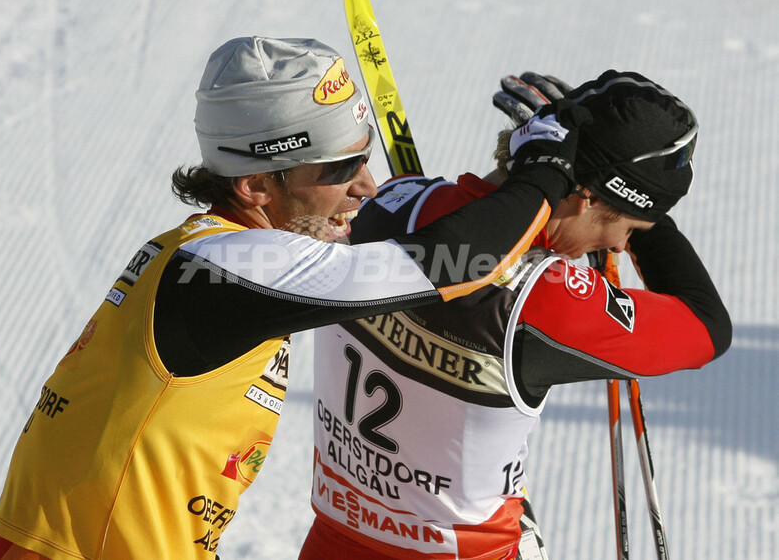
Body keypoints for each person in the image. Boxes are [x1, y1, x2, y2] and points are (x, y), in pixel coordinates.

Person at [0, 35, 591, 560]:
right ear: (255, 185)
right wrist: (547, 169)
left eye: (364, 160)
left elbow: (428, 246)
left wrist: (510, 175)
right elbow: (436, 265)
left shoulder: (217, 256)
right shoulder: (225, 269)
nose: (366, 187)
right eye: (338, 170)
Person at [299, 70, 732, 560]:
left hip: (334, 540)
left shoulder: (391, 201)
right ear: (586, 195)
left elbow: (476, 216)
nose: (617, 244)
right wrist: (646, 216)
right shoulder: (545, 297)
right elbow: (707, 328)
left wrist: (562, 161)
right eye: (628, 227)